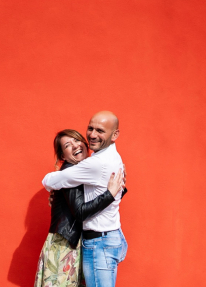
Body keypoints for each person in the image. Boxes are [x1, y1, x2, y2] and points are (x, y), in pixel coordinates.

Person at [42, 111, 128, 287]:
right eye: (90, 129)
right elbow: (80, 209)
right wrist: (111, 194)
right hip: (89, 242)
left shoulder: (93, 163)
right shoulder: (108, 157)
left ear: (115, 134)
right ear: (62, 156)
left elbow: (48, 181)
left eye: (100, 130)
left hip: (99, 242)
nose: (93, 135)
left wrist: (114, 193)